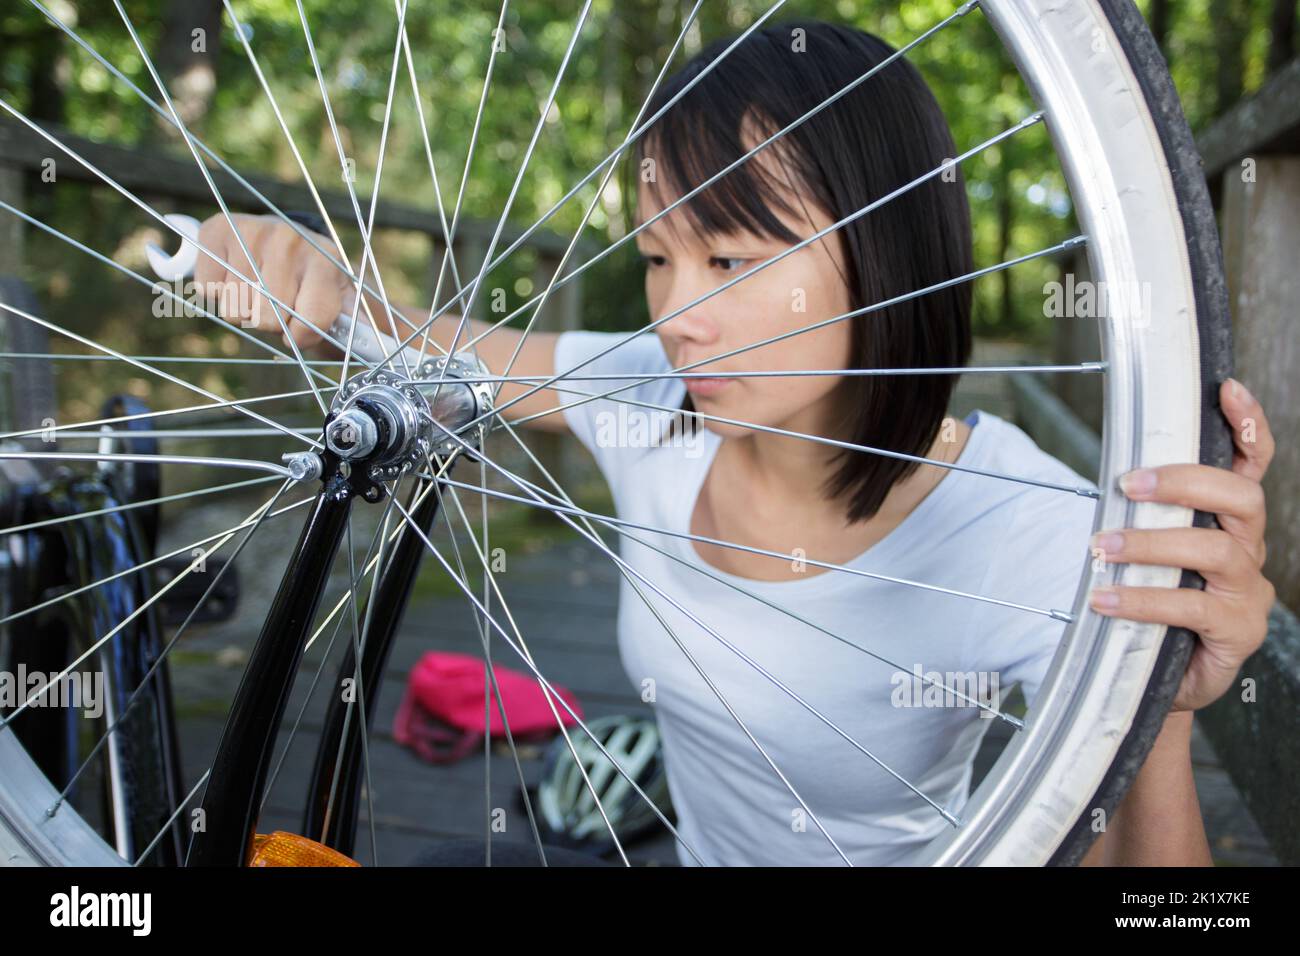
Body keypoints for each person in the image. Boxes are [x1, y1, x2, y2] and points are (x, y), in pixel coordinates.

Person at [193, 20, 1276, 866]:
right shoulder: (652, 392)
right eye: (661, 257)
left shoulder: (1037, 532)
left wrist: (1156, 701)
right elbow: (424, 347)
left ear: (888, 253)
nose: (676, 315)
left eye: (732, 258)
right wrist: (300, 274)